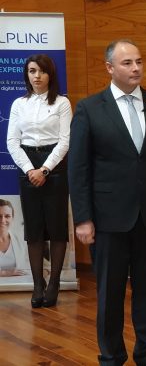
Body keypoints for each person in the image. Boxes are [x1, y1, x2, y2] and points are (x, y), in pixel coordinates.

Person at [68, 39, 146, 366]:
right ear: (110, 67)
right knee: (110, 293)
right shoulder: (89, 109)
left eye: (139, 61)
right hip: (107, 220)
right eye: (127, 63)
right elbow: (78, 169)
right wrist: (82, 218)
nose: (136, 68)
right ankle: (111, 357)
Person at [6, 54, 71, 307]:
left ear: (50, 75)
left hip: (54, 165)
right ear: (27, 74)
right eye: (32, 71)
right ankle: (37, 284)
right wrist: (30, 170)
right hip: (27, 165)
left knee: (56, 227)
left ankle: (54, 283)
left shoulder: (62, 103)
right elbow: (12, 142)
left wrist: (44, 170)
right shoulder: (19, 104)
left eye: (42, 71)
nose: (37, 76)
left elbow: (65, 141)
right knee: (33, 229)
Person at [0, 199, 31, 277]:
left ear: (12, 218)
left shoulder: (21, 240)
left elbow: (45, 265)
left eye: (7, 216)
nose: (3, 220)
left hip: (17, 283)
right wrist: (5, 273)